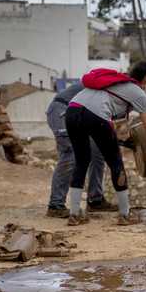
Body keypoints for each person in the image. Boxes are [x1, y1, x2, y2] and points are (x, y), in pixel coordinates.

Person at [65, 59, 146, 226]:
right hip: (96, 115)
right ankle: (125, 215)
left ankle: (74, 214)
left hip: (72, 111)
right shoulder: (138, 92)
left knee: (81, 161)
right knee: (116, 164)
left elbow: (141, 106)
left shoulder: (122, 83)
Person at [45, 81, 118, 218]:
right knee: (70, 153)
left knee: (97, 151)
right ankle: (55, 204)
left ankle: (95, 200)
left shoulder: (116, 92)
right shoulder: (108, 87)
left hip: (80, 114)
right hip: (62, 109)